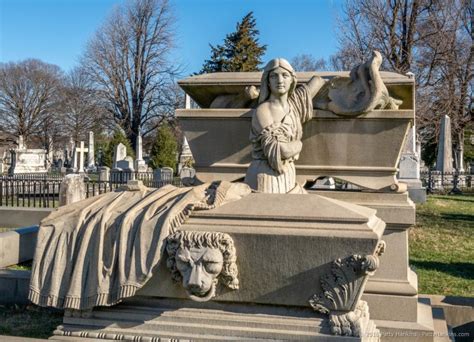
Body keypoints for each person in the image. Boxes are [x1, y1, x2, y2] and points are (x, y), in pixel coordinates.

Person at [244, 58, 325, 193]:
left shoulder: (295, 106)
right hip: (266, 177)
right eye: (274, 76)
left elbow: (317, 81)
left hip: (288, 175)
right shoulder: (263, 110)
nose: (280, 80)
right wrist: (299, 145)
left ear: (292, 80)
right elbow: (281, 151)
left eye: (285, 75)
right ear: (268, 82)